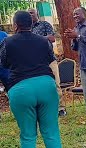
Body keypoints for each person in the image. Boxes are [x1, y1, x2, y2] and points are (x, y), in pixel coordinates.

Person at [0, 11, 61, 147]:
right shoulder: (43, 41)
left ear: (15, 25)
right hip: (47, 87)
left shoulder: (7, 42)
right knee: (51, 132)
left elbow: (3, 63)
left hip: (21, 89)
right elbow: (50, 59)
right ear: (31, 23)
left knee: (28, 135)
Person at [28, 8, 67, 117]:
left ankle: (61, 108)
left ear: (37, 14)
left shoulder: (45, 24)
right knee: (39, 86)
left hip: (49, 59)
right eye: (28, 14)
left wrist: (35, 39)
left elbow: (52, 38)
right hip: (35, 62)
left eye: (32, 13)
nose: (30, 15)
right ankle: (45, 109)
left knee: (55, 84)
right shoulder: (27, 29)